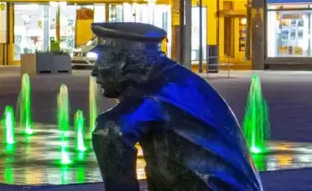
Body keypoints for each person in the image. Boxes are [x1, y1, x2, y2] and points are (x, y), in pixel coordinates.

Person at [90, 22, 262, 191]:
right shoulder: (173, 77)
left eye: (101, 61)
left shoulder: (159, 90)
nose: (95, 71)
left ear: (124, 62)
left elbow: (111, 129)